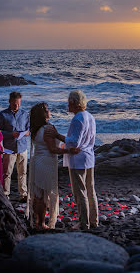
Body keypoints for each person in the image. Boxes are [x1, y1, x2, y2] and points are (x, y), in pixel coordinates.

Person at [47, 90, 99, 230]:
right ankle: (94, 220)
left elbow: (74, 142)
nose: (67, 105)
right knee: (90, 190)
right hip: (89, 157)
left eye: (69, 102)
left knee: (80, 192)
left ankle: (84, 223)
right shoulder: (89, 116)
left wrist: (58, 135)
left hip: (78, 159)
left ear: (74, 103)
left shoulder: (78, 118)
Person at [27, 102, 79, 230]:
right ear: (43, 114)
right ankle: (41, 224)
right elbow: (52, 149)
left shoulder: (36, 129)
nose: (49, 111)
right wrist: (68, 151)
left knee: (38, 194)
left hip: (37, 161)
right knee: (43, 195)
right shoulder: (47, 129)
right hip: (46, 162)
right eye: (47, 109)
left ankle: (37, 222)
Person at [0, 92, 30, 202]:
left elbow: (29, 129)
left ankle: (23, 194)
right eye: (15, 104)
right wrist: (11, 134)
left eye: (19, 104)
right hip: (9, 148)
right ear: (9, 101)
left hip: (22, 147)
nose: (17, 106)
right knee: (7, 173)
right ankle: (6, 194)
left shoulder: (25, 114)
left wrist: (26, 133)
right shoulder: (2, 115)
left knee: (23, 172)